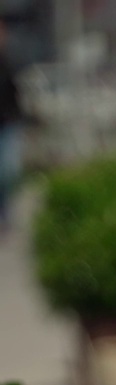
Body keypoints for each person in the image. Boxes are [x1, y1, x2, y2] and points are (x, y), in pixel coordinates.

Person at [0, 18, 21, 232]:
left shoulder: (8, 62)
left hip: (8, 123)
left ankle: (5, 213)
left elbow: (16, 93)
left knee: (8, 171)